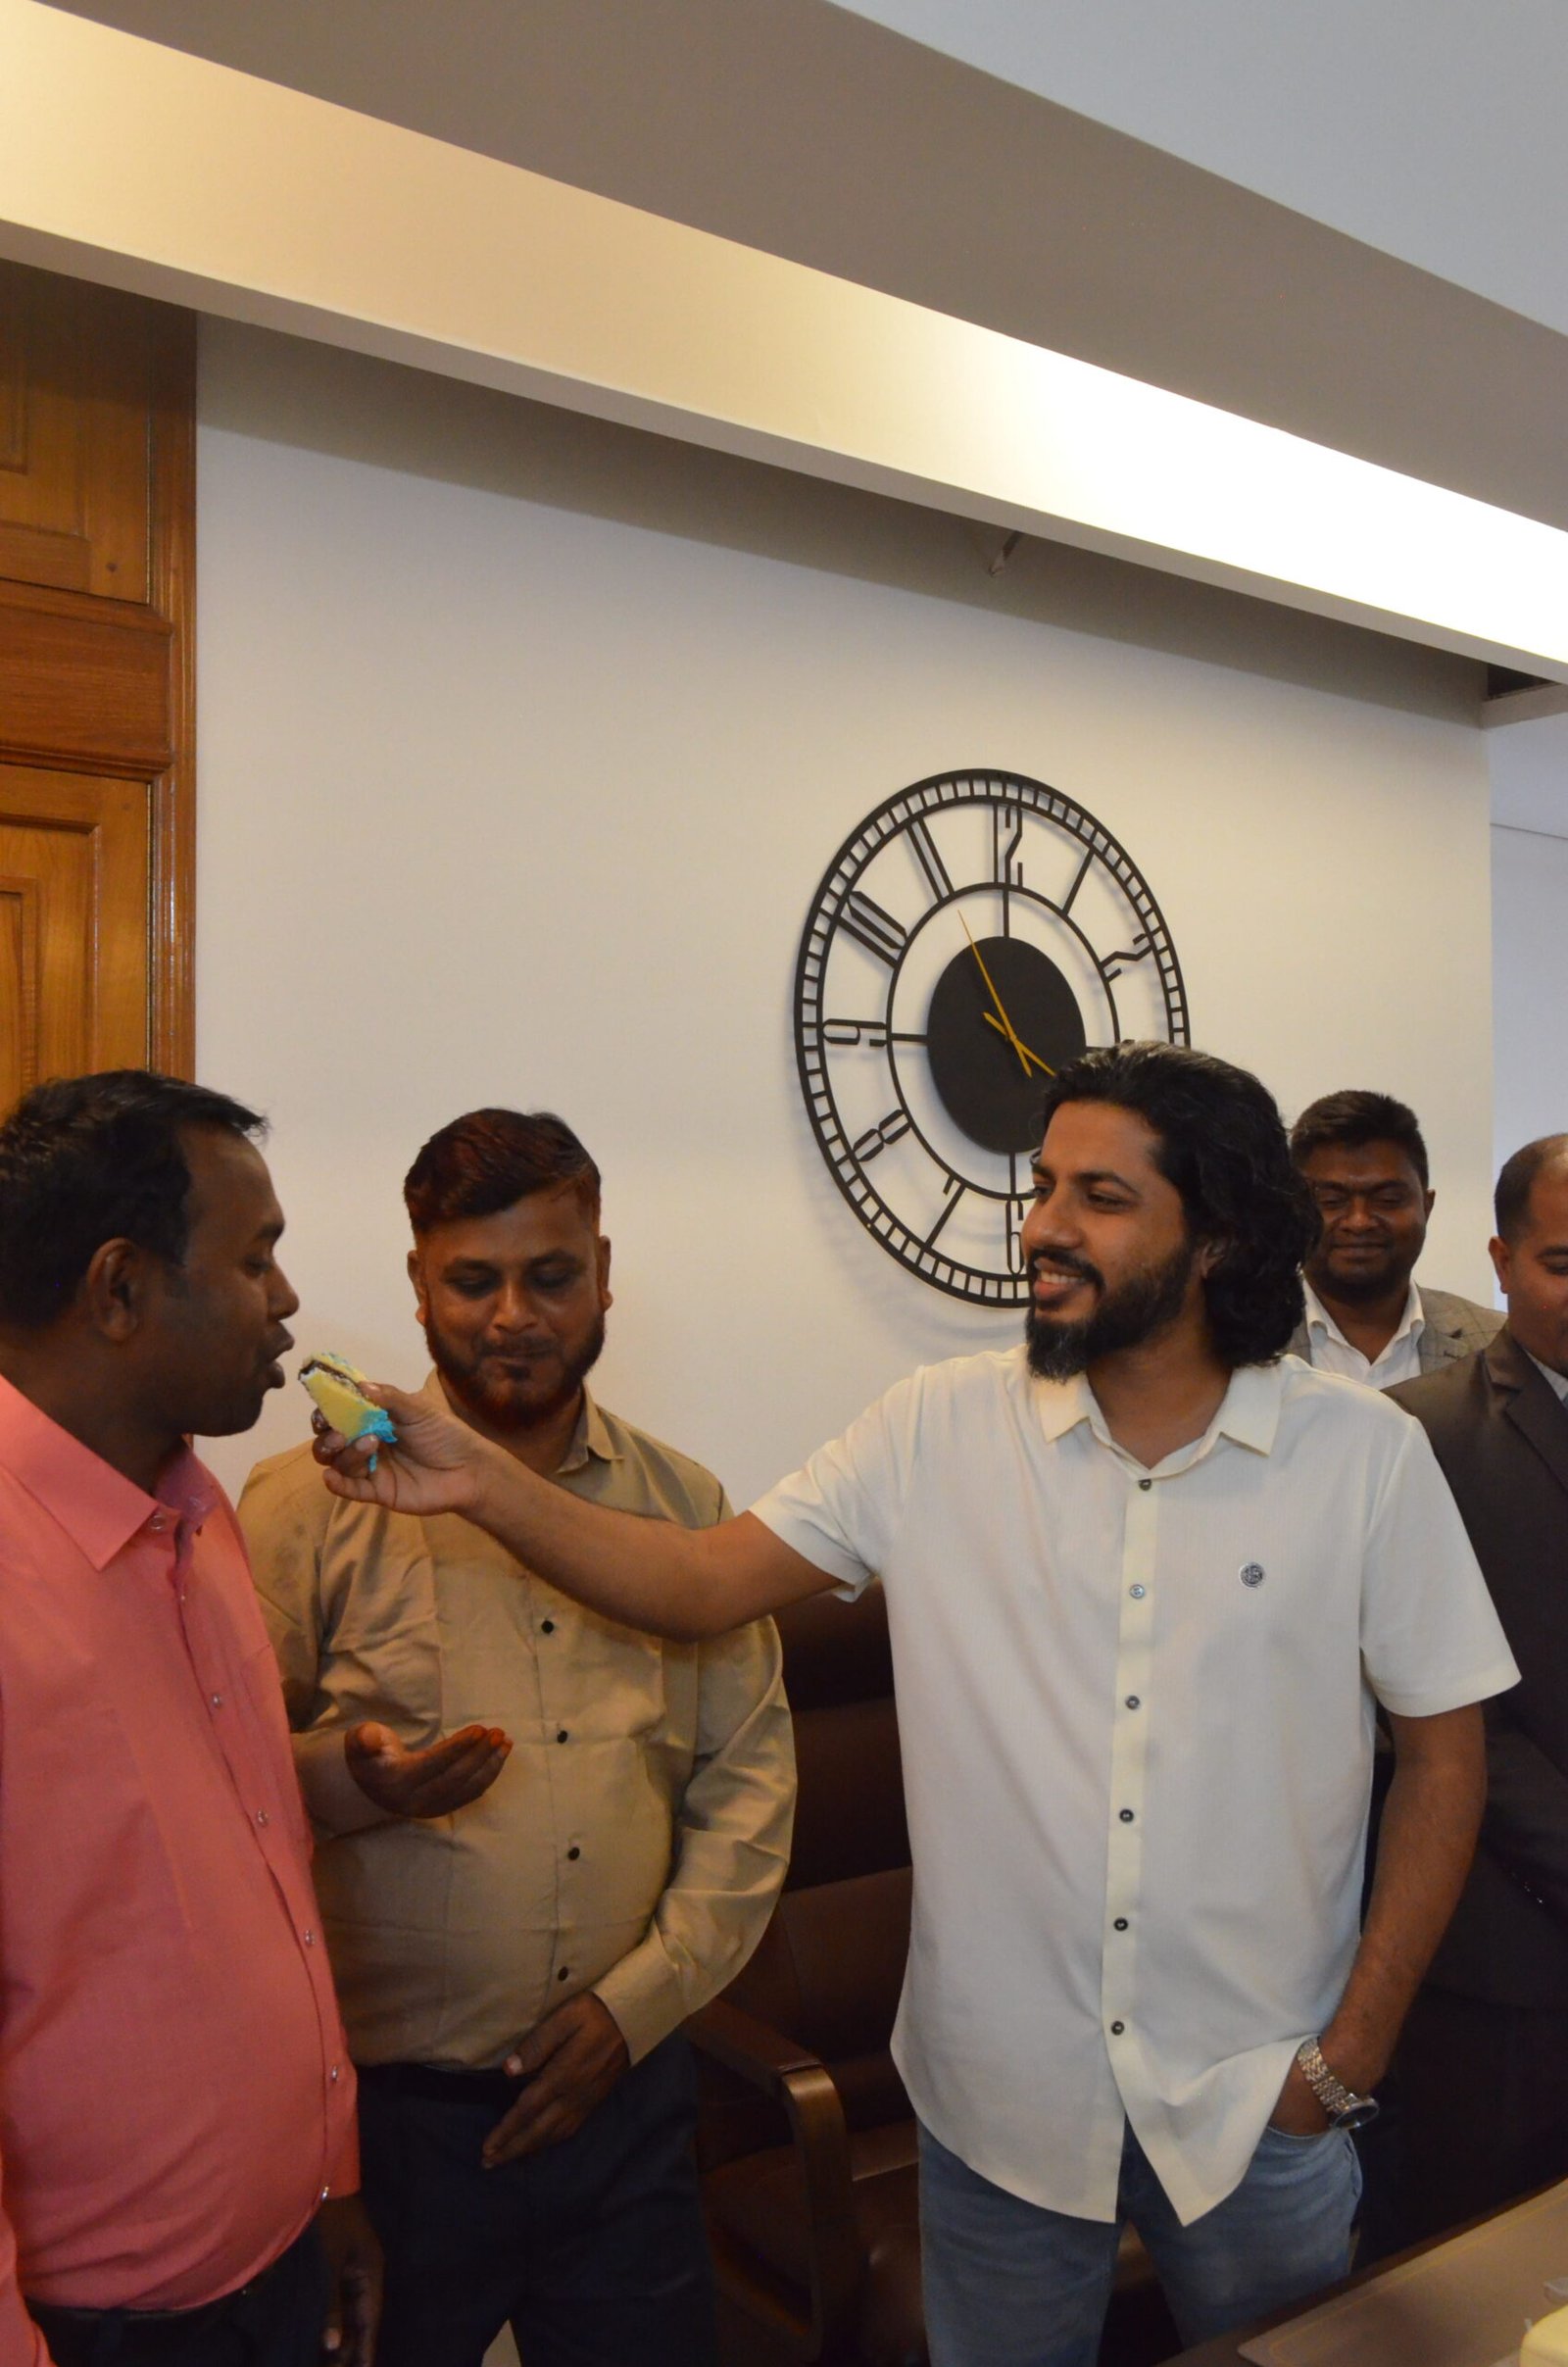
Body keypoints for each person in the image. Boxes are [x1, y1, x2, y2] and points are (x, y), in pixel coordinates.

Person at [312, 1045, 1517, 2367]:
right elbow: (697, 1582)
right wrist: (480, 1481)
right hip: (1002, 2113)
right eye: (1043, 1184)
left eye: (1100, 1196)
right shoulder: (935, 1426)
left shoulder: (1362, 1455)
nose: (1042, 1225)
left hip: (1256, 2111)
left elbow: (1445, 1758)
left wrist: (1345, 2057)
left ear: (1216, 1236)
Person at [241, 1108, 794, 2367]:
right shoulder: (306, 1506)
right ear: (418, 1284)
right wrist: (354, 1782)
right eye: (472, 1281)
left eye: (550, 1277)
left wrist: (636, 2008)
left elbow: (747, 1786)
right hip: (385, 2136)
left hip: (628, 2105)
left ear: (603, 1272)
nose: (512, 1317)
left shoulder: (687, 1511)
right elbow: (220, 1798)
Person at [0, 1070, 381, 2367]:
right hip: (99, 2328)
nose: (286, 1299)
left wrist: (328, 2175)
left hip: (277, 2269)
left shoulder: (200, 1514)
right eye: (255, 1258)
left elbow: (265, 1860)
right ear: (120, 1289)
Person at [1382, 1134, 1568, 2244]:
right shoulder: (1419, 1434)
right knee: (1473, 2276)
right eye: (1563, 1263)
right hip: (1508, 1967)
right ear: (1500, 1261)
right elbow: (1448, 1720)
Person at [1287, 1089, 1502, 1388]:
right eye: (1331, 1201)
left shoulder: (1496, 1345)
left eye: (1387, 1200)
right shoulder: (1237, 1343)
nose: (1359, 1222)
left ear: (1426, 1206)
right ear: (1293, 1207)